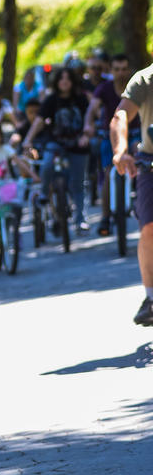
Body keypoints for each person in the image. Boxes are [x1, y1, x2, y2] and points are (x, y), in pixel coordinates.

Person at [110, 61, 153, 325]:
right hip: (150, 161)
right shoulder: (145, 79)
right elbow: (121, 115)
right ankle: (151, 298)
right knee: (149, 228)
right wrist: (120, 151)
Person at [23, 66, 90, 232]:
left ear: (73, 81)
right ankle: (44, 193)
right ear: (56, 82)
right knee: (46, 164)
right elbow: (39, 121)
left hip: (78, 145)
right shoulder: (51, 100)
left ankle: (80, 219)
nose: (64, 81)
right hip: (56, 143)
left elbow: (90, 120)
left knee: (77, 183)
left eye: (68, 78)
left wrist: (86, 135)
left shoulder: (81, 99)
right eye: (61, 78)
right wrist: (28, 139)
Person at [81, 53, 133, 235]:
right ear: (111, 70)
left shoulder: (136, 86)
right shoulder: (104, 88)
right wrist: (88, 125)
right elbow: (92, 109)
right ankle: (105, 217)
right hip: (109, 135)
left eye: (124, 69)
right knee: (109, 171)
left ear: (129, 70)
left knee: (144, 163)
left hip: (135, 134)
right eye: (117, 69)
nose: (121, 73)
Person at [0, 123, 38, 241]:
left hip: (6, 186)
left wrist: (34, 176)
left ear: (1, 137)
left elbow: (20, 163)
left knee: (17, 202)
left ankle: (16, 231)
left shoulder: (6, 150)